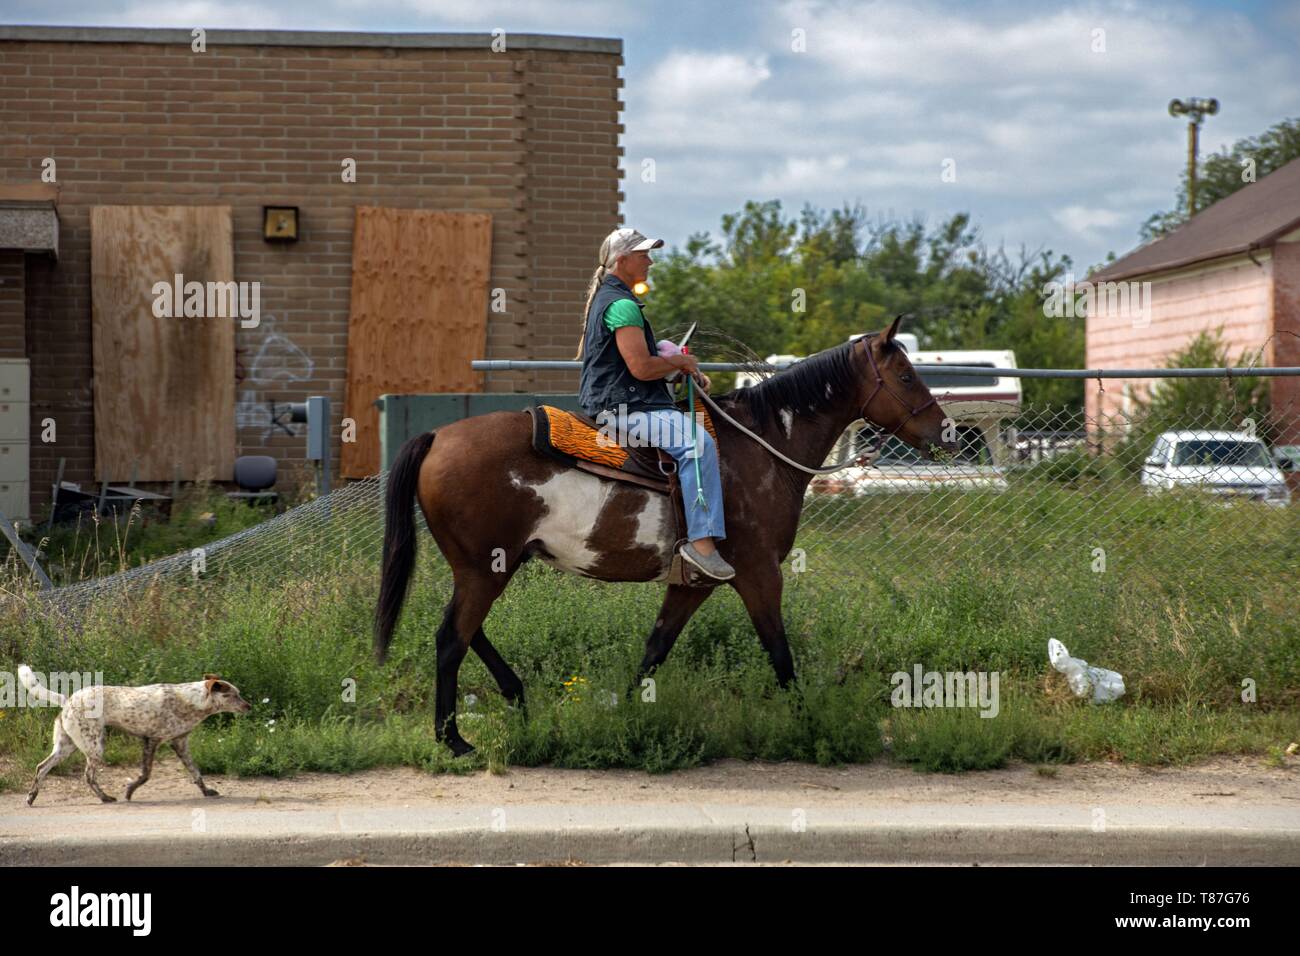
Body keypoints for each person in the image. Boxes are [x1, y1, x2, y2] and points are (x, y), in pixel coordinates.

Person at [575, 227, 735, 581]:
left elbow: (640, 367)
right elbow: (641, 367)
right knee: (696, 444)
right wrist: (682, 363)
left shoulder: (615, 300)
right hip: (624, 408)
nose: (650, 261)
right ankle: (702, 545)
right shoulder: (622, 305)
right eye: (644, 255)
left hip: (624, 401)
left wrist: (674, 365)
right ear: (623, 260)